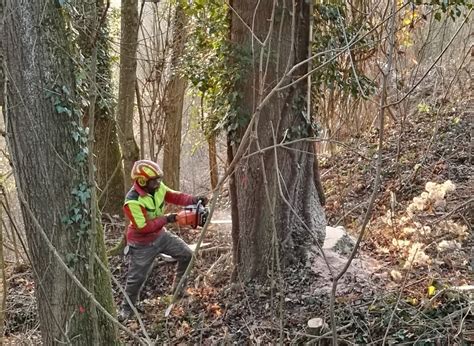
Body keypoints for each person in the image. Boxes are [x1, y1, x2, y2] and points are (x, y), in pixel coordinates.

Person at [118, 159, 207, 322]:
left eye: (159, 180)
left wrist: (193, 200)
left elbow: (175, 196)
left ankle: (178, 291)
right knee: (136, 278)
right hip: (141, 244)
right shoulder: (132, 201)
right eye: (155, 181)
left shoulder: (158, 188)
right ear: (142, 181)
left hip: (160, 235)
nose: (158, 183)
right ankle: (126, 309)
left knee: (187, 254)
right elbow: (143, 227)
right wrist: (168, 219)